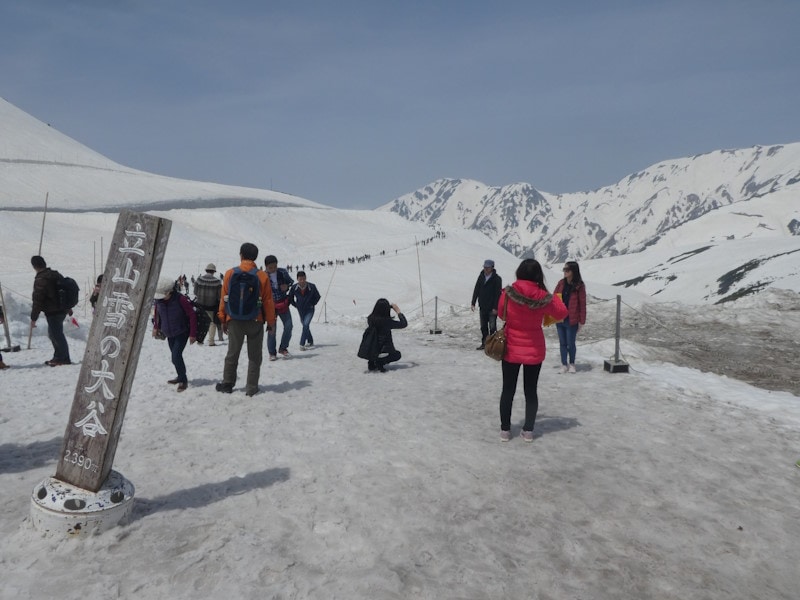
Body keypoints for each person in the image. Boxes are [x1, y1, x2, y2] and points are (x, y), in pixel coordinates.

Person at [497, 259, 568, 442]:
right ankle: (528, 431)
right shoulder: (543, 296)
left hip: (511, 345)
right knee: (530, 390)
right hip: (534, 347)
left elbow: (500, 313)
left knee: (508, 389)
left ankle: (505, 430)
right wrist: (550, 297)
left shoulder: (508, 292)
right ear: (537, 275)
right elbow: (562, 313)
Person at [216, 243, 275, 396]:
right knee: (255, 356)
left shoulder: (230, 273)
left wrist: (223, 318)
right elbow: (268, 301)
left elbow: (224, 298)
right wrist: (271, 322)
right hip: (256, 319)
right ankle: (251, 387)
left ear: (241, 255)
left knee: (232, 352)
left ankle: (228, 383)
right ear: (256, 257)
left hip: (234, 319)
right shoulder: (262, 276)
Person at [152, 277, 197, 392]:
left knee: (176, 356)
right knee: (175, 357)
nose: (160, 298)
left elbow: (192, 315)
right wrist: (156, 327)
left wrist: (192, 334)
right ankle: (180, 376)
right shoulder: (159, 301)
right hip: (169, 332)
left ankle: (183, 380)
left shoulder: (180, 299)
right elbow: (157, 314)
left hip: (181, 332)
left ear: (170, 292)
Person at [30, 255, 72, 367]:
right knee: (54, 334)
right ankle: (58, 356)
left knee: (56, 334)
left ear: (34, 266)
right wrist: (68, 307)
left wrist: (33, 318)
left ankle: (63, 358)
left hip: (53, 311)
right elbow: (64, 291)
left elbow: (37, 299)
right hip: (61, 309)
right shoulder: (55, 274)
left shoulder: (41, 279)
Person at [554, 261, 587, 374]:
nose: (564, 271)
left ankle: (572, 363)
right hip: (559, 317)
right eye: (564, 269)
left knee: (571, 343)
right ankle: (564, 364)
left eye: (567, 270)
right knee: (562, 342)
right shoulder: (561, 283)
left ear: (573, 271)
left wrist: (582, 320)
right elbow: (554, 298)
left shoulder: (579, 286)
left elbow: (582, 303)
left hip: (571, 319)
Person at [264, 255, 294, 359]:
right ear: (266, 267)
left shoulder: (282, 272)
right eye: (270, 267)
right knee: (272, 329)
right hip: (270, 306)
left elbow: (291, 281)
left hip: (283, 303)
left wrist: (286, 286)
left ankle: (283, 348)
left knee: (289, 326)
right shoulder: (263, 276)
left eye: (274, 266)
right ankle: (272, 353)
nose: (273, 269)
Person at [365, 299, 407, 372]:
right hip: (384, 349)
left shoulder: (370, 319)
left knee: (376, 347)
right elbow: (403, 324)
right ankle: (380, 362)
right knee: (397, 355)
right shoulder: (387, 322)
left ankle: (372, 362)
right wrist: (398, 311)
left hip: (372, 348)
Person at [471, 259, 503, 350]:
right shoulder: (481, 276)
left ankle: (492, 345)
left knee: (492, 327)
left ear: (492, 268)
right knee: (483, 327)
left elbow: (498, 294)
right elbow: (476, 289)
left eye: (487, 268)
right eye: (484, 267)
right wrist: (473, 302)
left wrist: (496, 307)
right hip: (483, 306)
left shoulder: (497, 279)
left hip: (492, 307)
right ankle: (484, 343)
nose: (485, 269)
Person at [288, 270, 321, 350]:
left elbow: (318, 296)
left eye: (303, 279)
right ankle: (310, 340)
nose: (302, 281)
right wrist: (295, 305)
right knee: (305, 325)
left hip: (310, 309)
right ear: (297, 279)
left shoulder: (312, 286)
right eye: (300, 279)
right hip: (301, 310)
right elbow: (290, 297)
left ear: (306, 278)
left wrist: (312, 304)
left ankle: (302, 344)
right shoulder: (294, 288)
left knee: (306, 324)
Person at [193, 263, 223, 346]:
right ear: (214, 271)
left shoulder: (199, 280)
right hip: (211, 306)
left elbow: (195, 292)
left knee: (200, 322)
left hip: (200, 305)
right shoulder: (217, 282)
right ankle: (211, 341)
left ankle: (199, 339)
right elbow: (219, 296)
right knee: (212, 323)